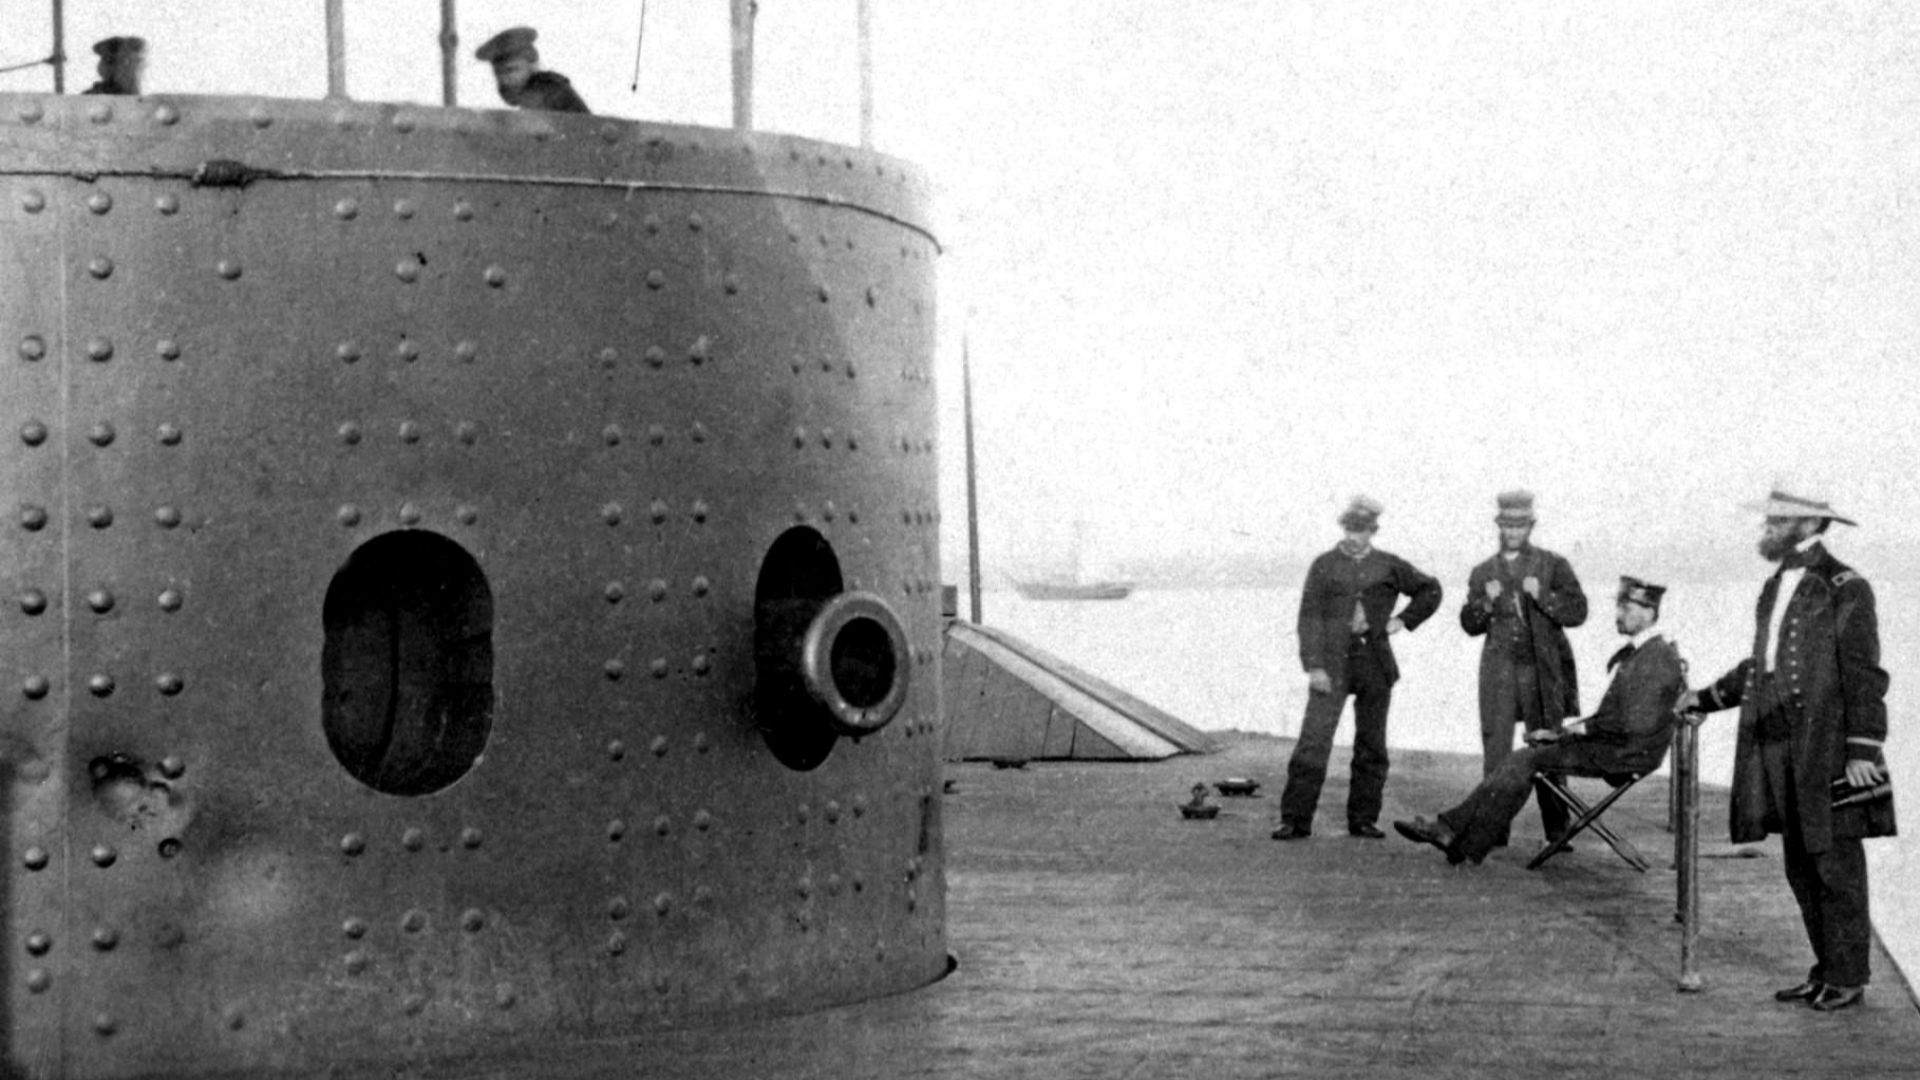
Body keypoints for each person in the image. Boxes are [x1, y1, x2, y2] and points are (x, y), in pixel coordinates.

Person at [1680, 489, 1894, 1013]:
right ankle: (1825, 969)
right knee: (1801, 863)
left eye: (1778, 520)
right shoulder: (1777, 583)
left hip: (1829, 747)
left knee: (1835, 863)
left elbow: (1864, 675)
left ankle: (1848, 976)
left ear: (1809, 522)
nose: (1768, 528)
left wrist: (1863, 750)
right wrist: (1706, 697)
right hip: (1778, 746)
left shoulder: (1846, 586)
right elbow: (1763, 666)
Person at [1396, 576, 1684, 865]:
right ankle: (1462, 840)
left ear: (1648, 613)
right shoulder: (1649, 652)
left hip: (1625, 753)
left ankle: (1454, 833)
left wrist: (1569, 733)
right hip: (1620, 746)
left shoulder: (1655, 657)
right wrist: (1562, 733)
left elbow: (1633, 723)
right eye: (1619, 606)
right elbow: (1620, 718)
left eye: (1626, 608)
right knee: (1525, 758)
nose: (1618, 615)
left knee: (1525, 760)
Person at [1273, 496, 1442, 841]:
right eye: (1350, 528)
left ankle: (1364, 820)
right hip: (1331, 665)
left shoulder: (1389, 565)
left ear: (1373, 531)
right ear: (1343, 527)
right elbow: (1308, 618)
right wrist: (1314, 666)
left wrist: (1402, 621)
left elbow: (1430, 590)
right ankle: (1295, 820)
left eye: (1362, 530)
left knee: (1372, 745)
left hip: (1374, 664)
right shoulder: (1324, 565)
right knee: (1313, 742)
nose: (1354, 536)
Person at [1459, 489, 1588, 848]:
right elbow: (1469, 625)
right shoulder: (1483, 571)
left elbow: (1578, 611)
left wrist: (1543, 597)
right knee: (1497, 752)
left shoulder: (1553, 564)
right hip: (1499, 671)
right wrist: (1486, 602)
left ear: (1530, 525)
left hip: (1541, 672)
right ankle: (1493, 829)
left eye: (1520, 525)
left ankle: (1558, 832)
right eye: (1507, 525)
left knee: (1548, 748)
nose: (1514, 531)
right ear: (1499, 526)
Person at [474, 26, 591, 114]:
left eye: (512, 70)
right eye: (498, 74)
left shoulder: (546, 88)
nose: (504, 80)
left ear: (532, 65)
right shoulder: (532, 95)